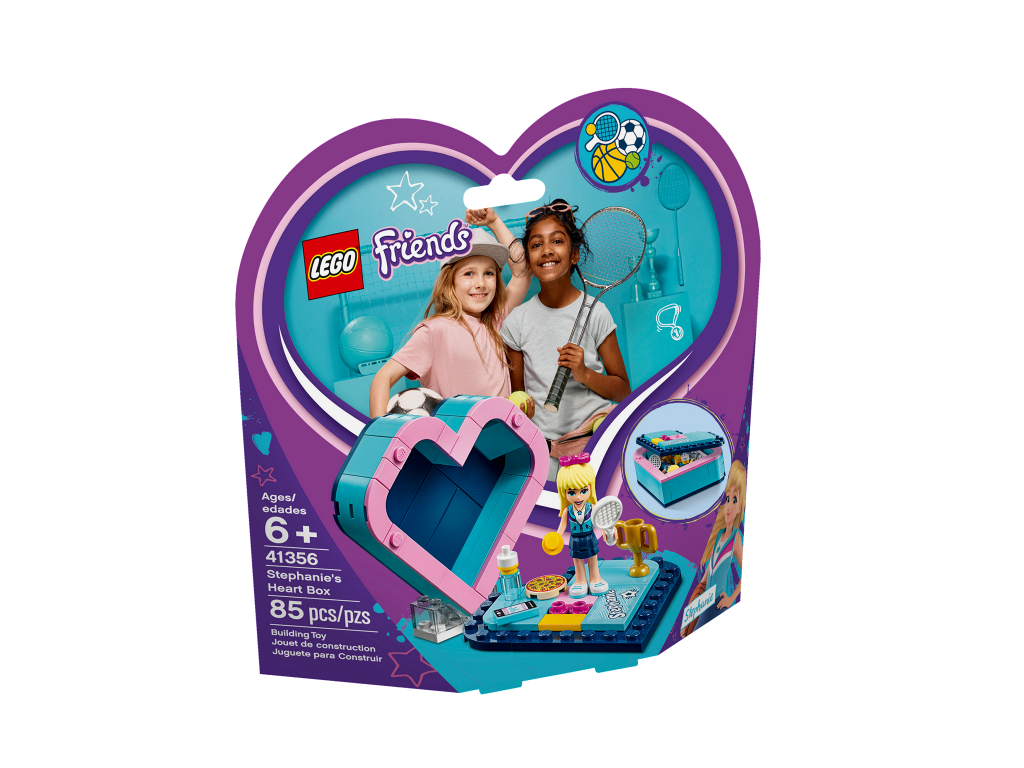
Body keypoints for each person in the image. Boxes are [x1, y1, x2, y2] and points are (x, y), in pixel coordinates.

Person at [499, 200, 631, 479]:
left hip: (596, 443)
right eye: (536, 244)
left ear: (574, 255)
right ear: (528, 261)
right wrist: (519, 407)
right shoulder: (516, 322)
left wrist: (585, 374)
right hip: (545, 453)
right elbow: (520, 397)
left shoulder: (597, 312)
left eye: (557, 241)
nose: (546, 250)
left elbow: (623, 391)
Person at [368, 217, 531, 417]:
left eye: (488, 273)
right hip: (456, 436)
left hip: (500, 432)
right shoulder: (434, 331)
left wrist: (494, 221)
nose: (480, 283)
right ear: (449, 281)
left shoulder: (496, 321)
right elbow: (382, 378)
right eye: (469, 273)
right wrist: (380, 429)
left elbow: (523, 272)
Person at [682, 460, 746, 637]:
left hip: (717, 604)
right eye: (727, 499)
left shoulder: (736, 537)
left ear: (740, 506)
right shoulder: (718, 535)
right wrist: (697, 597)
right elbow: (709, 569)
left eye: (734, 500)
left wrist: (731, 598)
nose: (729, 506)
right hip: (706, 601)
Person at [554, 454, 609, 598]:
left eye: (583, 491)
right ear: (564, 492)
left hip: (589, 537)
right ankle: (580, 580)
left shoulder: (592, 507)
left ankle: (595, 578)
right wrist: (556, 537)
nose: (578, 497)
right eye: (572, 492)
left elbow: (601, 521)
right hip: (575, 539)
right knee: (577, 561)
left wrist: (606, 531)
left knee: (592, 558)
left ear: (591, 488)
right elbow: (562, 526)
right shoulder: (568, 511)